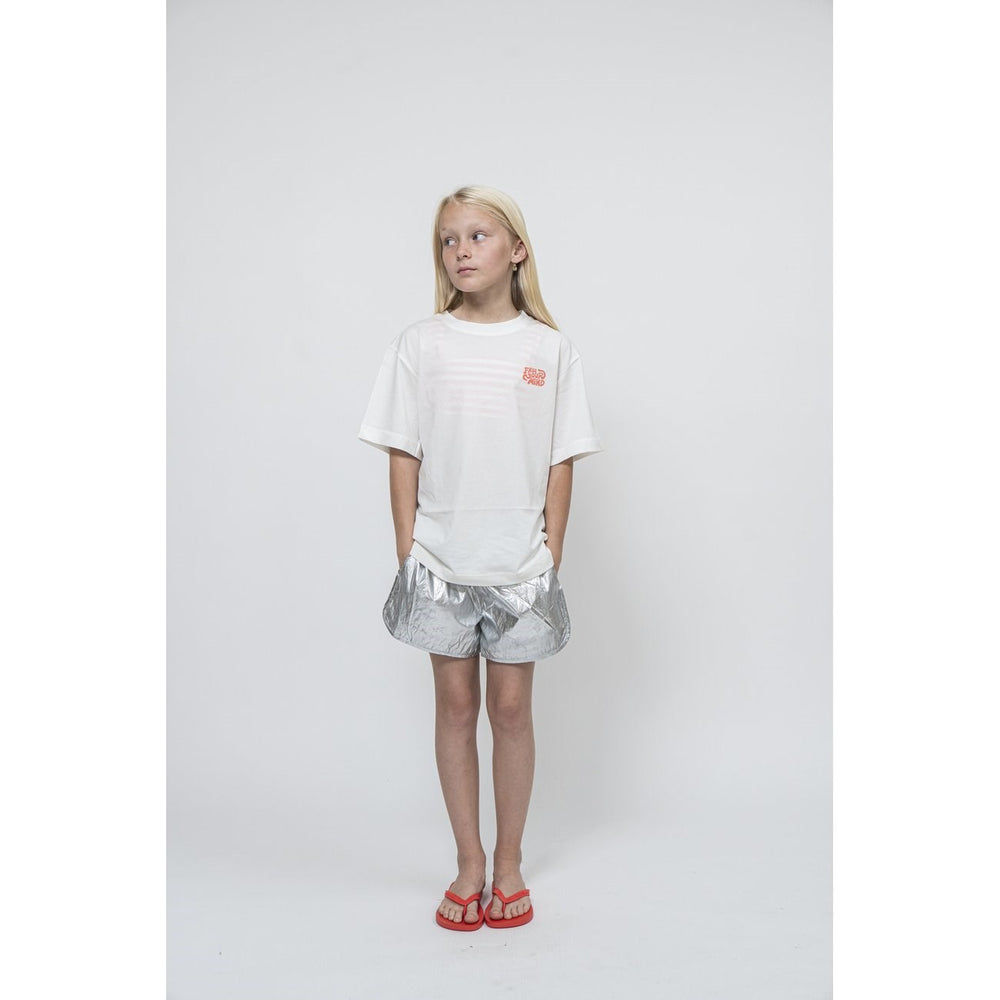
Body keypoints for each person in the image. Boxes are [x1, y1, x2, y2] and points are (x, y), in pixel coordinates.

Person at [358, 185, 602, 930]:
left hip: (521, 566)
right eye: (448, 240)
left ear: (517, 250)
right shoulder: (420, 344)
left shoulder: (548, 349)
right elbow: (403, 449)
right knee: (456, 707)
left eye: (477, 236)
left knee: (512, 709)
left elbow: (561, 458)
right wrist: (407, 545)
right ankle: (469, 862)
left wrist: (551, 550)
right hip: (439, 561)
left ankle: (510, 862)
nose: (460, 252)